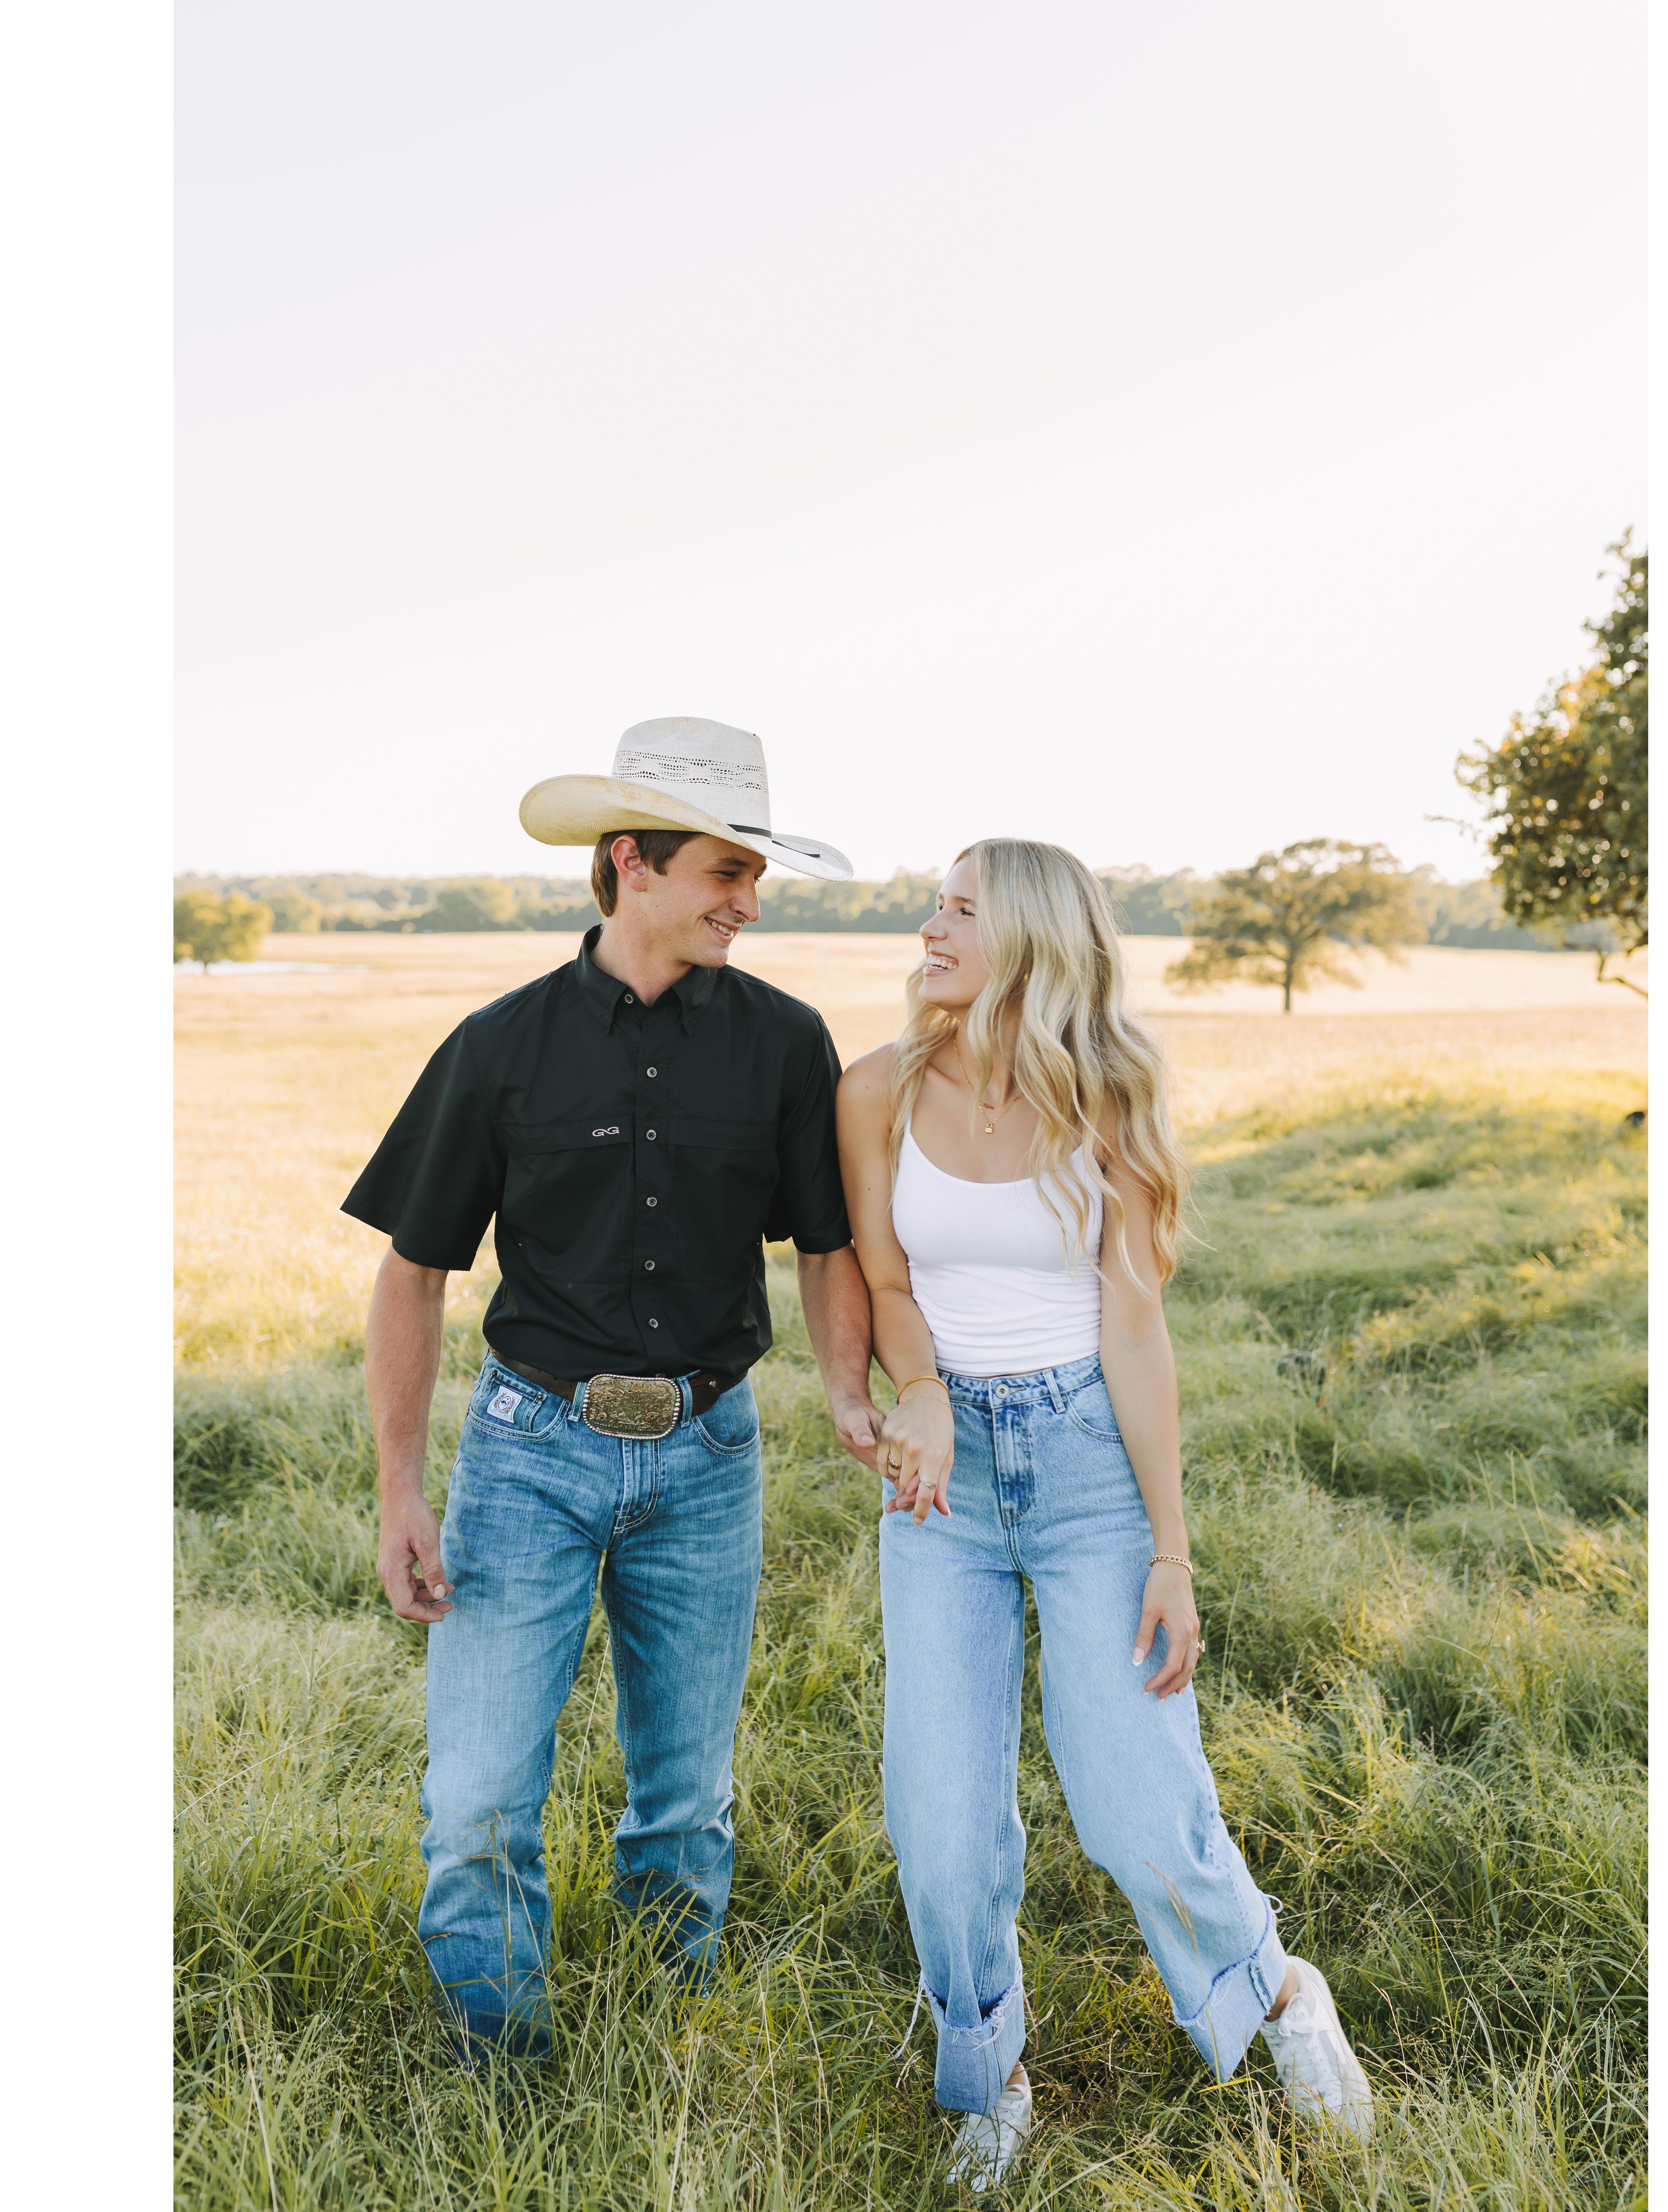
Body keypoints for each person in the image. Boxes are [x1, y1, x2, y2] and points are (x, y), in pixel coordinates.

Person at [836, 838, 1373, 2189]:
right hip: (943, 1482)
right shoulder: (876, 1089)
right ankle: (986, 2076)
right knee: (941, 1822)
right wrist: (920, 1392)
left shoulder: (1112, 1094)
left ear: (1028, 936)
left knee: (1138, 1806)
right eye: (935, 905)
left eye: (959, 909)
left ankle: (1277, 1993)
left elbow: (1135, 1327)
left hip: (1087, 1470)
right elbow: (886, 1281)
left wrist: (1170, 1551)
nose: (928, 927)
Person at [344, 717, 884, 2058]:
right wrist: (400, 1489)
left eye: (755, 876)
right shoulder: (501, 1046)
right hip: (528, 1454)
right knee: (477, 1804)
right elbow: (413, 1272)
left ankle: (660, 2045)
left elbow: (828, 1245)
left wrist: (847, 1393)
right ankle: (497, 2067)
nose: (749, 902)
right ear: (633, 862)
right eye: (727, 872)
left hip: (710, 1457)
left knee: (686, 1803)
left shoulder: (786, 1044)